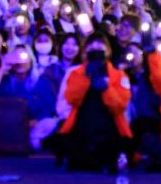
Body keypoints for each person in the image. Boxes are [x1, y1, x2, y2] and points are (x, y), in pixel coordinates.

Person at [54, 34, 132, 172]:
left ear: (108, 51)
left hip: (109, 128)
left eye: (100, 47)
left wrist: (106, 88)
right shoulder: (75, 73)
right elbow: (72, 99)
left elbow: (120, 107)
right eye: (91, 47)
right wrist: (86, 78)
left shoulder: (119, 75)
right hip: (81, 125)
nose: (95, 50)